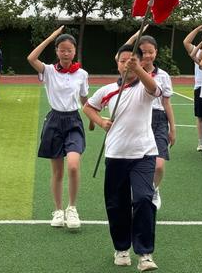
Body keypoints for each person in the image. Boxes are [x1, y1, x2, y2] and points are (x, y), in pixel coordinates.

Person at [83, 44, 161, 271]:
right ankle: (121, 248)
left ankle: (145, 254)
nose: (126, 63)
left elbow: (154, 88)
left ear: (139, 62)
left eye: (131, 60)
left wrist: (139, 71)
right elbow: (88, 107)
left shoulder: (144, 87)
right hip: (116, 153)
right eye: (122, 61)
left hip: (144, 153)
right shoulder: (107, 90)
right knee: (117, 204)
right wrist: (101, 122)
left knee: (144, 199)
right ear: (117, 64)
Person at [27, 26, 88, 229]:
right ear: (56, 51)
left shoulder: (82, 74)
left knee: (72, 165)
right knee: (58, 172)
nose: (65, 53)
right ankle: (58, 210)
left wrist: (90, 116)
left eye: (69, 50)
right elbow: (31, 58)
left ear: (74, 51)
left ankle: (72, 208)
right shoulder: (49, 71)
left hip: (73, 121)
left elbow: (84, 98)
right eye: (61, 49)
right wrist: (51, 36)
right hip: (54, 121)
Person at [121, 31, 175, 210]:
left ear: (156, 52)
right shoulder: (131, 72)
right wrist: (136, 36)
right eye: (143, 52)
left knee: (159, 165)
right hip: (138, 118)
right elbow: (121, 53)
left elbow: (166, 103)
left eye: (151, 52)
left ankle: (153, 189)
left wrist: (172, 128)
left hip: (158, 120)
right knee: (136, 160)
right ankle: (136, 190)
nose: (147, 55)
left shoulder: (163, 76)